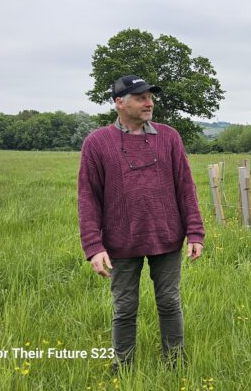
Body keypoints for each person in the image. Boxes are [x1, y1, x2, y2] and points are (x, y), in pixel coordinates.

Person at [77, 75, 205, 371]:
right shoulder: (97, 143)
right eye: (140, 97)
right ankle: (122, 367)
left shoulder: (169, 137)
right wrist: (94, 246)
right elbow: (87, 198)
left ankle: (175, 365)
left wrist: (195, 233)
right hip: (120, 243)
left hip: (167, 237)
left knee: (169, 303)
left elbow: (186, 187)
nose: (149, 103)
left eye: (150, 96)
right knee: (124, 309)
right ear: (119, 102)